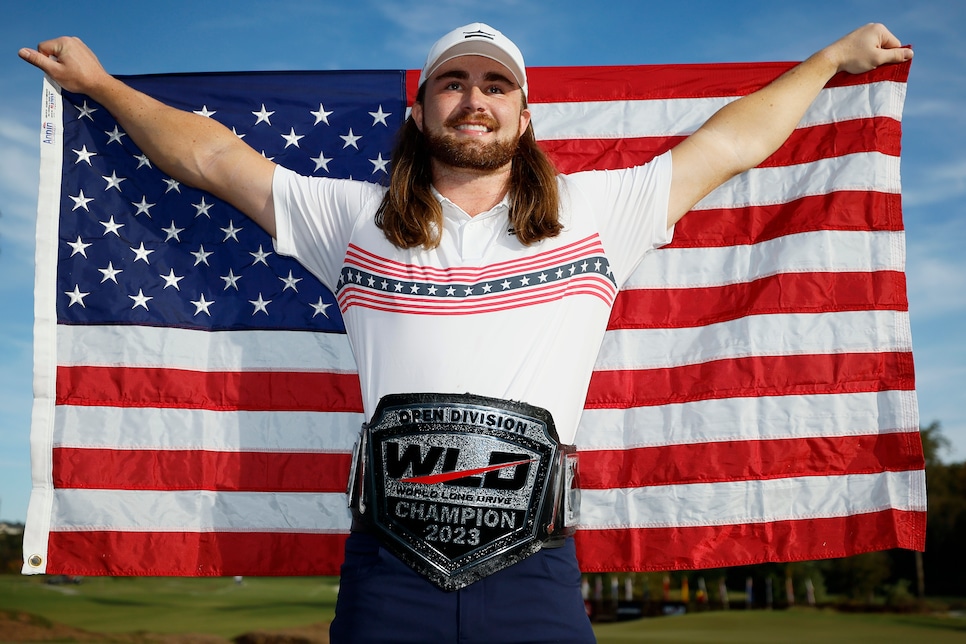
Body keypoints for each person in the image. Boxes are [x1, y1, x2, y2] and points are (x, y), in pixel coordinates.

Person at [20, 21, 912, 643]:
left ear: (525, 117)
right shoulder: (354, 221)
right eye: (453, 82)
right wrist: (100, 86)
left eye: (495, 85)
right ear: (421, 110)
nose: (472, 99)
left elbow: (733, 142)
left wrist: (831, 60)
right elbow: (213, 157)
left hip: (535, 574)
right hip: (386, 573)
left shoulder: (602, 213)